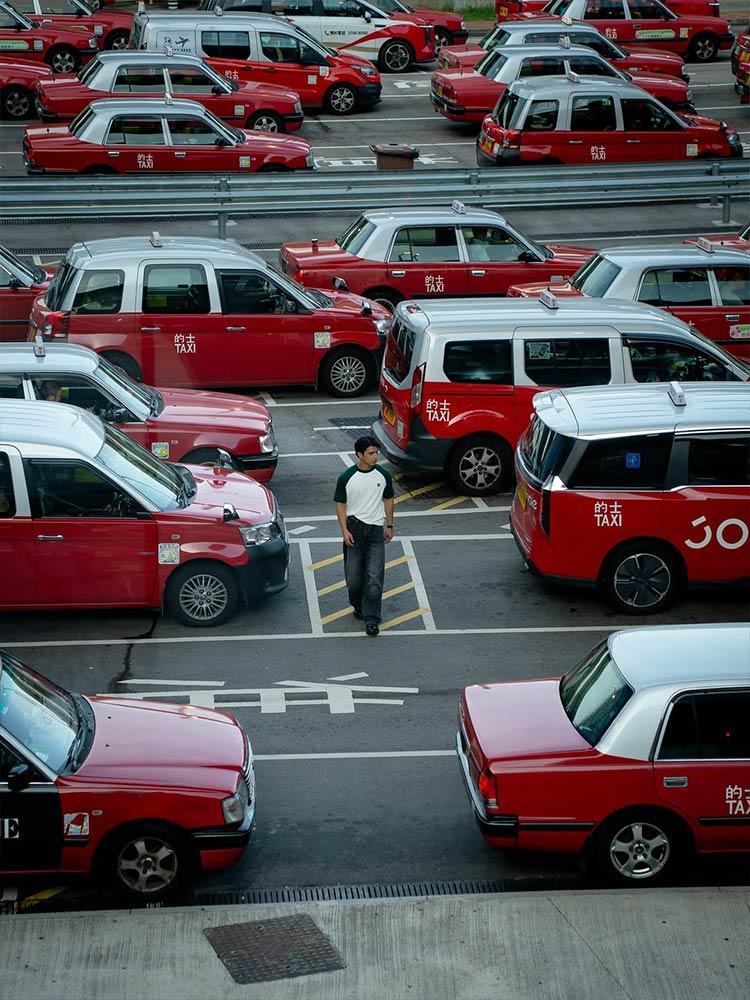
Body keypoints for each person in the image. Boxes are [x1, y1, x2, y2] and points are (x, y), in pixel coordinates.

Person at [334, 436, 395, 637]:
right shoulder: (346, 477)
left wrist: (390, 524)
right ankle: (357, 604)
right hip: (355, 528)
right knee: (353, 576)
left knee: (375, 576)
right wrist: (344, 530)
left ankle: (372, 619)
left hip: (376, 530)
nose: (375, 456)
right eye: (370, 453)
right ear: (359, 455)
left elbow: (388, 499)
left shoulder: (383, 475)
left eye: (376, 452)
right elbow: (340, 504)